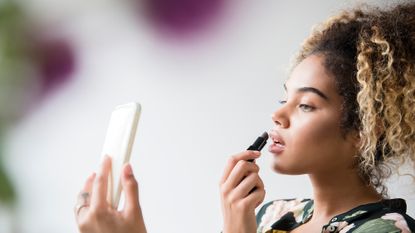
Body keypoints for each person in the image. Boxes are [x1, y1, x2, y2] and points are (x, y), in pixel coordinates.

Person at [74, 1, 415, 232]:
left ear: (365, 129)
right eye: (285, 98)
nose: (278, 114)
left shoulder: (384, 229)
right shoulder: (276, 216)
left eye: (306, 105)